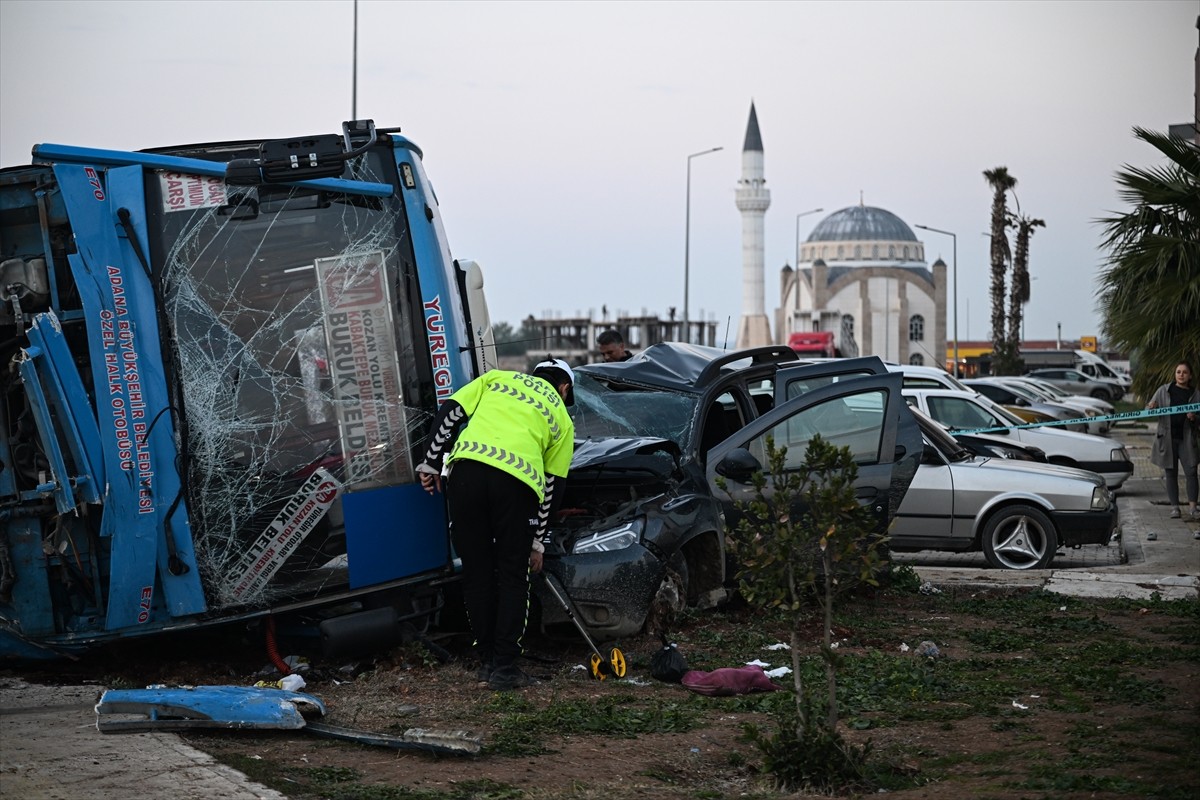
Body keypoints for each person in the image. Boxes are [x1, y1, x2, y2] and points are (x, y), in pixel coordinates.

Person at [417, 359, 576, 690]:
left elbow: (451, 412)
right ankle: (505, 668)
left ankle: (487, 662)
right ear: (564, 388)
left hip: (466, 474)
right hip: (516, 484)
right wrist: (537, 541)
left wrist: (431, 462)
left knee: (476, 573)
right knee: (513, 576)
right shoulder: (560, 414)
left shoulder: (496, 379)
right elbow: (552, 485)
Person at [1146, 361, 1200, 521]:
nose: (1181, 374)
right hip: (1167, 437)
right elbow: (1148, 410)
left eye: (1184, 372)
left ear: (1190, 375)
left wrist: (1194, 418)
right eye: (1178, 372)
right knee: (1171, 473)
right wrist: (1151, 407)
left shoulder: (1196, 394)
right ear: (1175, 374)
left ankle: (1193, 508)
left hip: (1187, 438)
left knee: (1191, 472)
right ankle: (1175, 508)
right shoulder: (1164, 390)